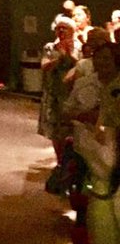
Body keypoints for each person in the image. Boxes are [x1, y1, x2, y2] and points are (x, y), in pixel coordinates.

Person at [38, 16, 79, 161]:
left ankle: (71, 161)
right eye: (58, 28)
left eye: (64, 28)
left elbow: (81, 65)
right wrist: (59, 58)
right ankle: (60, 160)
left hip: (71, 94)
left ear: (72, 30)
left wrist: (68, 54)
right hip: (53, 93)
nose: (61, 30)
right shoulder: (50, 47)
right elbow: (44, 65)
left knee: (71, 129)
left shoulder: (79, 47)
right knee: (55, 130)